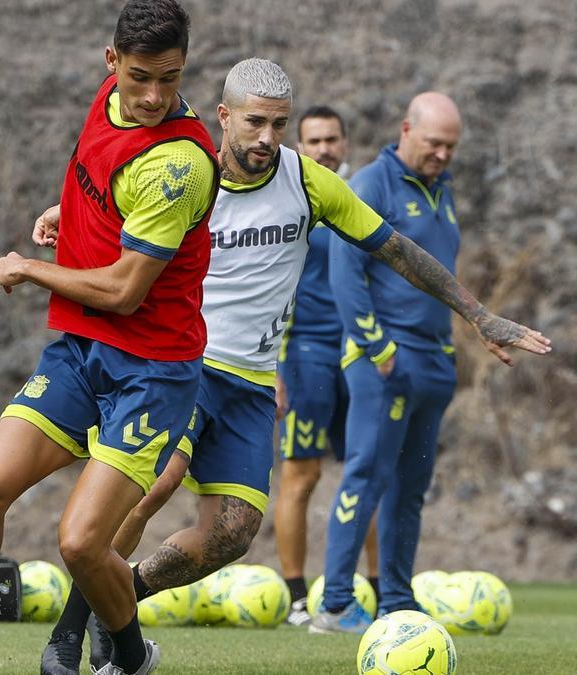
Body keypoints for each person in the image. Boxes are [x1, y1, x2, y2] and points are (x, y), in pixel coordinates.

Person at [40, 60, 550, 673]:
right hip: (179, 364)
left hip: (252, 384)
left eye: (278, 125)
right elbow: (111, 194)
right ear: (225, 116)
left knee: (232, 534)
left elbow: (398, 249)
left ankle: (124, 596)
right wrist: (60, 211)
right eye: (255, 122)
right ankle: (67, 637)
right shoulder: (185, 170)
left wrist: (478, 315)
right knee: (154, 485)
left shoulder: (309, 184)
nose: (266, 137)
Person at [0, 2, 219, 674]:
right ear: (111, 63)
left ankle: (132, 659)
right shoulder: (109, 99)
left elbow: (123, 291)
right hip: (83, 352)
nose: (153, 96)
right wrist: (74, 211)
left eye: (169, 79)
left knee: (81, 543)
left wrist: (28, 268)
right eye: (140, 76)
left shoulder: (178, 164)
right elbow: (99, 172)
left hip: (151, 371)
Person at [311, 92, 497, 633]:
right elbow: (345, 274)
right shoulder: (371, 183)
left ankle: (396, 597)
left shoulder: (444, 190)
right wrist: (378, 348)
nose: (442, 154)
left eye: (451, 147)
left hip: (435, 361)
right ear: (406, 130)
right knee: (366, 474)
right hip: (384, 361)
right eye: (435, 143)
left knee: (411, 487)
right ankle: (336, 603)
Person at [272, 105, 378, 626]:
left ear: (344, 141)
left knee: (367, 469)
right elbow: (267, 286)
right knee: (302, 474)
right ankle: (295, 597)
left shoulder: (361, 198)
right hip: (306, 353)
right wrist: (271, 366)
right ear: (300, 145)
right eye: (313, 141)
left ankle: (380, 590)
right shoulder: (290, 201)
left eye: (331, 139)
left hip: (359, 351)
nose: (323, 149)